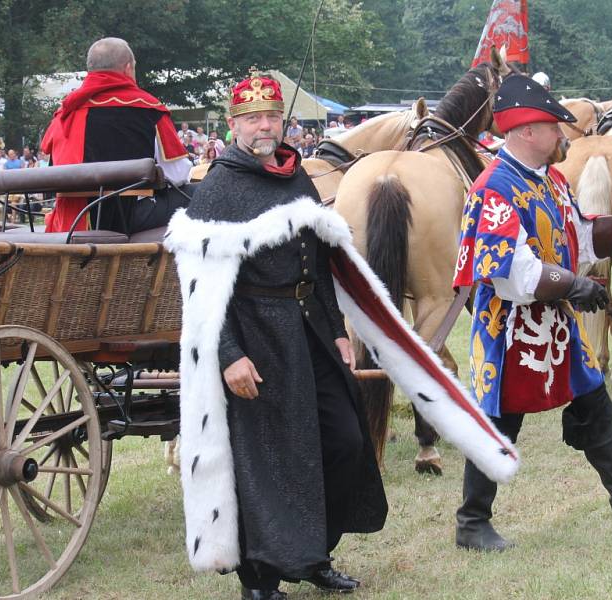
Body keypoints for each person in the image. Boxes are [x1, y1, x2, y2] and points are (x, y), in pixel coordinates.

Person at [172, 71, 387, 599]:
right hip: (254, 336)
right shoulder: (219, 186)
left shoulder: (295, 174)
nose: (263, 126)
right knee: (266, 461)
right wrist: (228, 356)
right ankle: (260, 579)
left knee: (342, 440)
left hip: (308, 328)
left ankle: (314, 552)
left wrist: (337, 329)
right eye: (252, 118)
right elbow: (200, 290)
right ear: (233, 125)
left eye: (270, 116)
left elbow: (318, 257)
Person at [453, 74, 612, 552]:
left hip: (556, 323)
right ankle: (472, 522)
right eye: (555, 128)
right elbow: (511, 272)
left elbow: (578, 235)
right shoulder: (494, 188)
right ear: (526, 131)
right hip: (509, 330)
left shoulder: (552, 180)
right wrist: (575, 285)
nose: (563, 136)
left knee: (593, 398)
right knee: (498, 422)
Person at [41, 37, 191, 233]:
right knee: (202, 194)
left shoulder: (65, 111)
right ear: (128, 68)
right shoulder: (148, 108)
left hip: (70, 220)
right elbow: (177, 175)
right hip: (125, 218)